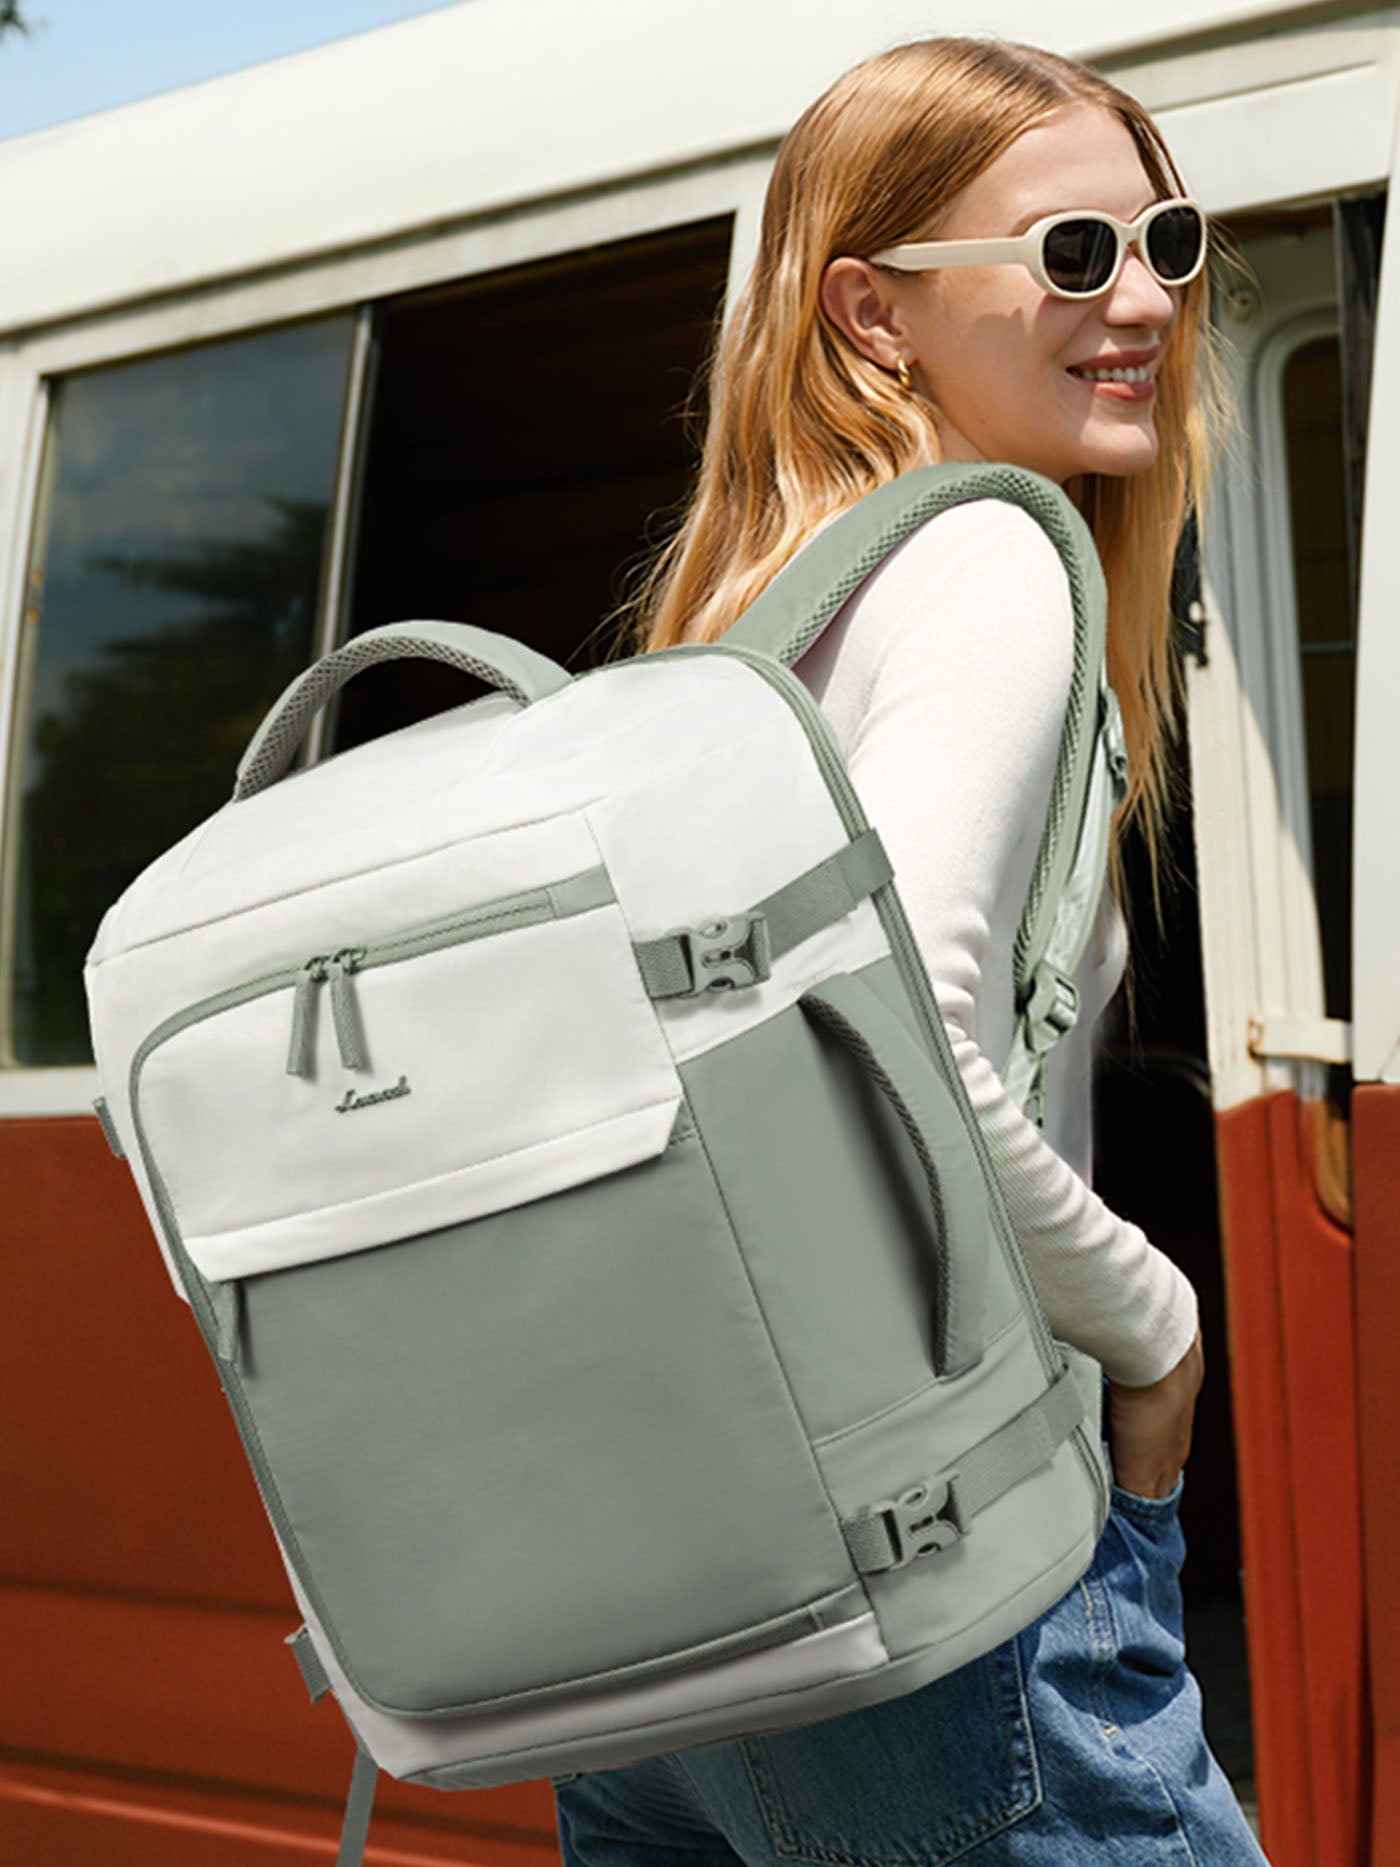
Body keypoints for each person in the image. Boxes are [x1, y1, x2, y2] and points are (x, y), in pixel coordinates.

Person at [553, 35, 1268, 1866]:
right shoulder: (986, 566)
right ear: (874, 314)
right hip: (948, 1572)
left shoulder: (731, 631)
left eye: (1168, 242)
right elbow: (899, 1033)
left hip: (672, 1620)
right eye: (1074, 255)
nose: (1147, 302)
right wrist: (1154, 1327)